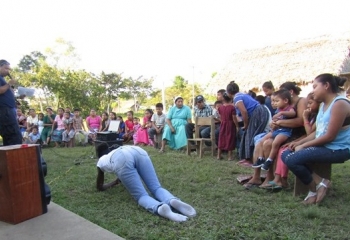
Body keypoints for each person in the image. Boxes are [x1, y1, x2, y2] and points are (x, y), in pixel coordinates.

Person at [282, 74, 350, 204]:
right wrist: (298, 142)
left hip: (339, 149)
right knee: (286, 153)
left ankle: (312, 191)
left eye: (315, 87)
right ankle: (320, 182)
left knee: (294, 159)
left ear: (326, 85)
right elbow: (317, 133)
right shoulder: (323, 105)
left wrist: (304, 146)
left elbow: (329, 136)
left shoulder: (339, 104)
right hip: (326, 146)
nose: (312, 91)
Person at [96, 145, 196, 222]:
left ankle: (160, 208)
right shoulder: (116, 149)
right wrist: (117, 180)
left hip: (120, 159)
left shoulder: (100, 161)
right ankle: (172, 200)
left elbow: (100, 186)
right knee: (156, 187)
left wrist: (114, 183)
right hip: (138, 151)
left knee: (141, 196)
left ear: (98, 155)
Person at [244, 82, 307, 189]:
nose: (275, 101)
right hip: (281, 130)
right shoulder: (283, 106)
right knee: (258, 141)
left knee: (268, 143)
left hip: (294, 134)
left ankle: (270, 177)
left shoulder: (301, 101)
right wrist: (274, 124)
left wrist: (279, 123)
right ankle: (257, 175)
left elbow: (300, 121)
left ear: (290, 92)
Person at [226, 81, 270, 165]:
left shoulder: (236, 98)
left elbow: (244, 112)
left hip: (258, 112)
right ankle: (248, 157)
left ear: (228, 92)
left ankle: (250, 159)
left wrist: (246, 124)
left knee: (250, 135)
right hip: (260, 112)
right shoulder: (242, 95)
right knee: (250, 135)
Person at [252, 89, 296, 171]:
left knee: (275, 142)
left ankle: (269, 160)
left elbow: (292, 113)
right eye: (274, 101)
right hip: (276, 130)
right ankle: (261, 158)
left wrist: (282, 113)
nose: (274, 103)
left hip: (284, 132)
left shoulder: (289, 108)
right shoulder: (278, 109)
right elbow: (274, 119)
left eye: (277, 101)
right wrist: (273, 122)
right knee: (261, 140)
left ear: (286, 100)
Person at [0, 60, 22, 146]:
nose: (8, 71)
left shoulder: (2, 79)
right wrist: (9, 84)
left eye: (9, 69)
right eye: (6, 68)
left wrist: (18, 97)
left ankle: (9, 158)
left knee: (10, 135)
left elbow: (6, 94)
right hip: (4, 110)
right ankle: (14, 157)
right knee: (13, 135)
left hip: (9, 109)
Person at [217, 93, 239, 161]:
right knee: (230, 138)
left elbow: (220, 117)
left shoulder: (220, 108)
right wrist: (237, 126)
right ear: (231, 99)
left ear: (223, 99)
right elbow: (234, 118)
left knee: (221, 138)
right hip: (230, 124)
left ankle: (218, 155)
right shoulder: (232, 108)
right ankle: (230, 156)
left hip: (223, 124)